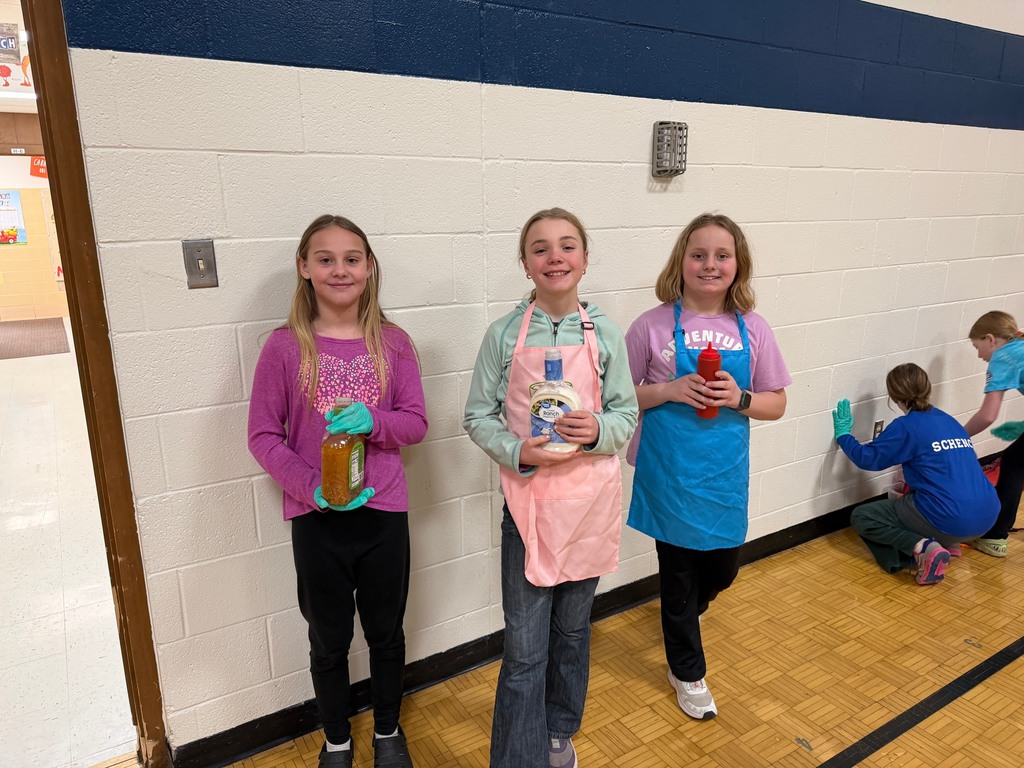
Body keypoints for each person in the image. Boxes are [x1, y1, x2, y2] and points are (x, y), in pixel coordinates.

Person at [248, 215, 427, 768]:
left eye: (352, 258)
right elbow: (261, 436)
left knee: (385, 632)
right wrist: (309, 488)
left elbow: (416, 423)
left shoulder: (393, 344)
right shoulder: (284, 348)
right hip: (317, 518)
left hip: (383, 514)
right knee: (328, 639)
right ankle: (337, 740)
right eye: (324, 259)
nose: (339, 269)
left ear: (370, 269)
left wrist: (374, 420)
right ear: (304, 269)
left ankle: (388, 732)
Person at [463, 208, 638, 768]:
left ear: (584, 260)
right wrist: (517, 451)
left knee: (572, 630)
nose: (554, 256)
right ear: (525, 263)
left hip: (589, 506)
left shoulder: (604, 332)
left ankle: (559, 730)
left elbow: (626, 414)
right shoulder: (503, 335)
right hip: (529, 506)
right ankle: (517, 758)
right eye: (540, 248)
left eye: (567, 246)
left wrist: (598, 431)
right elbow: (477, 416)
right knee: (523, 649)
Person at [624, 212, 790, 720]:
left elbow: (777, 402)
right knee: (677, 578)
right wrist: (668, 390)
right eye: (699, 255)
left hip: (723, 476)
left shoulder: (753, 328)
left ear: (738, 266)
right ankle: (688, 672)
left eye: (722, 256)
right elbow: (619, 399)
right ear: (682, 261)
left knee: (721, 570)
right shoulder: (650, 325)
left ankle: (686, 614)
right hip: (668, 473)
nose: (710, 265)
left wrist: (740, 397)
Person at [832, 364, 1000, 584]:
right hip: (988, 516)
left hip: (952, 520)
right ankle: (949, 544)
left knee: (864, 516)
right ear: (927, 388)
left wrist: (844, 435)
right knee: (922, 496)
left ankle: (923, 549)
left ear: (892, 396)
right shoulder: (948, 420)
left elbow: (868, 459)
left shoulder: (906, 426)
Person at [962, 310, 1024, 558]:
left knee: (1014, 461)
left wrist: (959, 436)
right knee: (1016, 459)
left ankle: (994, 537)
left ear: (991, 339)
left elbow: (988, 415)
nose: (979, 355)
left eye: (977, 347)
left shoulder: (1002, 357)